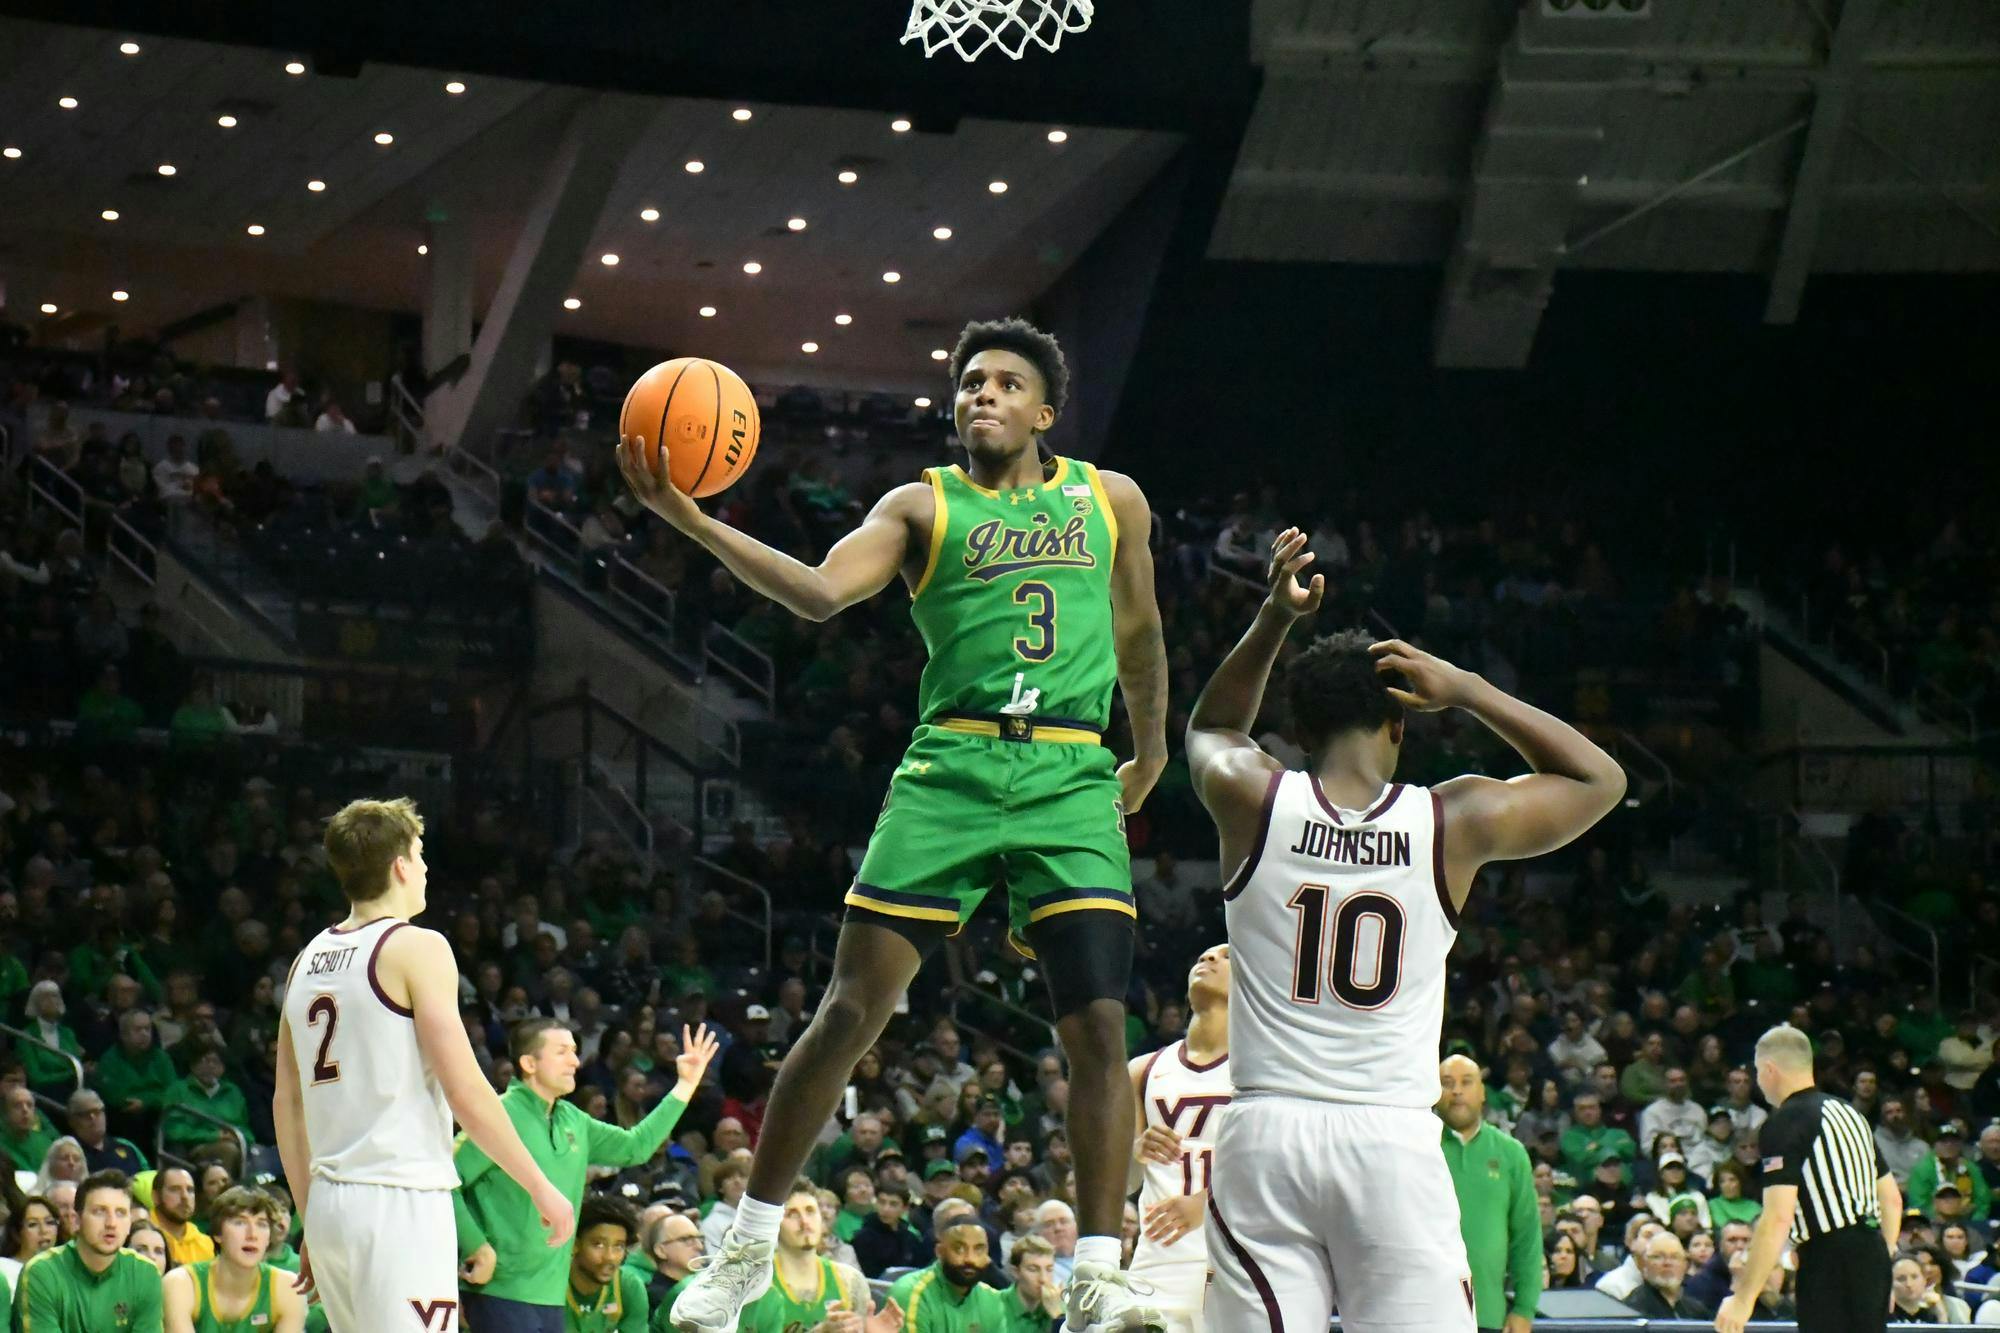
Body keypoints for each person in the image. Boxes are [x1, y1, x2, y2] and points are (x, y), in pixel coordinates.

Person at [636, 319, 1169, 1333]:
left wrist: (1147, 752)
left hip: (1068, 767)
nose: (982, 395)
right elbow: (820, 591)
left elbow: (1140, 633)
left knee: (1100, 1023)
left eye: (1006, 384)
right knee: (851, 1009)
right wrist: (694, 522)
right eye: (970, 382)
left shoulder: (1112, 499)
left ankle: (1099, 1272)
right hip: (951, 764)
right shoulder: (920, 504)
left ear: (1043, 413)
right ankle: (744, 1244)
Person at [1184, 530, 1627, 1333]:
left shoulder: (1254, 798)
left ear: (1305, 729)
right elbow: (1600, 779)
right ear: (1399, 724)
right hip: (1389, 1136)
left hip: (1266, 1129)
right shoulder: (1449, 818)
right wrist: (1470, 690)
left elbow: (1210, 727)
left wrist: (1274, 620)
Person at [274, 798, 574, 1333]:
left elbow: (288, 1102)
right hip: (400, 1200)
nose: (427, 867)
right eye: (420, 852)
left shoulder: (306, 959)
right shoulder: (416, 947)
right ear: (400, 865)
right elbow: (466, 1089)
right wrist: (538, 1184)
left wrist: (310, 1220)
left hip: (329, 1203)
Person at [455, 1017, 716, 1332]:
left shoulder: (573, 1120)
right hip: (498, 1290)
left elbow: (637, 1146)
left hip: (553, 1295)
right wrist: (475, 1246)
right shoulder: (496, 1113)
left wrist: (685, 1085)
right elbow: (444, 1181)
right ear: (529, 1063)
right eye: (562, 1051)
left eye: (575, 1051)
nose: (575, 1061)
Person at [1715, 1024, 1902, 1333]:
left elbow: (1777, 1217)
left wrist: (1743, 1299)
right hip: (1873, 1252)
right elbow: (1892, 1200)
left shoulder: (1784, 1122)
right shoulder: (1850, 1113)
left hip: (1828, 1258)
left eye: (1758, 1073)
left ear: (1770, 1069)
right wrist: (1884, 1257)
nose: (1758, 1083)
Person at [1127, 943, 1231, 1333]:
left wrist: (1209, 1205)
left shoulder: (1266, 1068)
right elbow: (1124, 1184)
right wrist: (1134, 1151)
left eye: (1225, 957)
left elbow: (1283, 1168)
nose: (1207, 959)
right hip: (1159, 1263)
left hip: (1236, 1258)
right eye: (1202, 955)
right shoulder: (1143, 1070)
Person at [1438, 1055, 1542, 1333]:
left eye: (1466, 1082)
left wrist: (1524, 1309)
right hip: (1422, 1313)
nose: (1457, 1090)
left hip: (1487, 1315)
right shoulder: (1418, 1148)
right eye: (1447, 1083)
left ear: (1483, 1092)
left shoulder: (1511, 1153)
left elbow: (1527, 1237)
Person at [732, 1181, 898, 1333]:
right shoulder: (754, 1283)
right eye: (792, 1214)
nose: (805, 1222)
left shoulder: (850, 1281)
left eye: (810, 1211)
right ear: (774, 1222)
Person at [16, 1169, 161, 1330]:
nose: (111, 1223)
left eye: (120, 1213)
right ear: (77, 1221)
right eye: (99, 1212)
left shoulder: (145, 1273)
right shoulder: (42, 1272)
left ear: (129, 1224)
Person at [162, 1186, 307, 1332]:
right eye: (240, 1222)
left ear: (269, 1237)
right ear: (218, 1234)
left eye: (261, 1224)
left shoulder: (288, 1287)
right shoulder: (181, 1283)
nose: (252, 1234)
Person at [885, 1215, 1012, 1332]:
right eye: (959, 1249)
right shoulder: (911, 1293)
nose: (970, 1258)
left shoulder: (992, 1300)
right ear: (939, 1252)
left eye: (978, 1249)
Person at [1622, 1231, 1712, 1318]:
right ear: (1644, 1264)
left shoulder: (1697, 1311)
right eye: (1658, 1257)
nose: (1667, 1263)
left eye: (1675, 1257)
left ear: (1685, 1265)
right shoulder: (1632, 1310)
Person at [68, 1088, 148, 1176]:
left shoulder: (126, 1146)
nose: (93, 1117)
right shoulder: (68, 1153)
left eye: (97, 1111)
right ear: (72, 1121)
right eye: (85, 1114)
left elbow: (149, 1179)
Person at [998, 1234, 1065, 1332]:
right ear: (1016, 1272)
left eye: (1049, 1269)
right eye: (1033, 1269)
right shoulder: (996, 1306)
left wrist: (1058, 1316)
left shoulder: (1061, 1308)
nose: (1043, 1279)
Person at [155, 1165, 217, 1267]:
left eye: (190, 1190)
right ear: (156, 1197)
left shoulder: (205, 1244)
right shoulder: (140, 1233)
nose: (185, 1196)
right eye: (175, 1189)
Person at [641, 1213, 703, 1314]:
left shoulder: (704, 1287)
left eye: (700, 1239)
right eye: (686, 1239)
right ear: (661, 1251)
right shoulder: (653, 1298)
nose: (699, 1246)